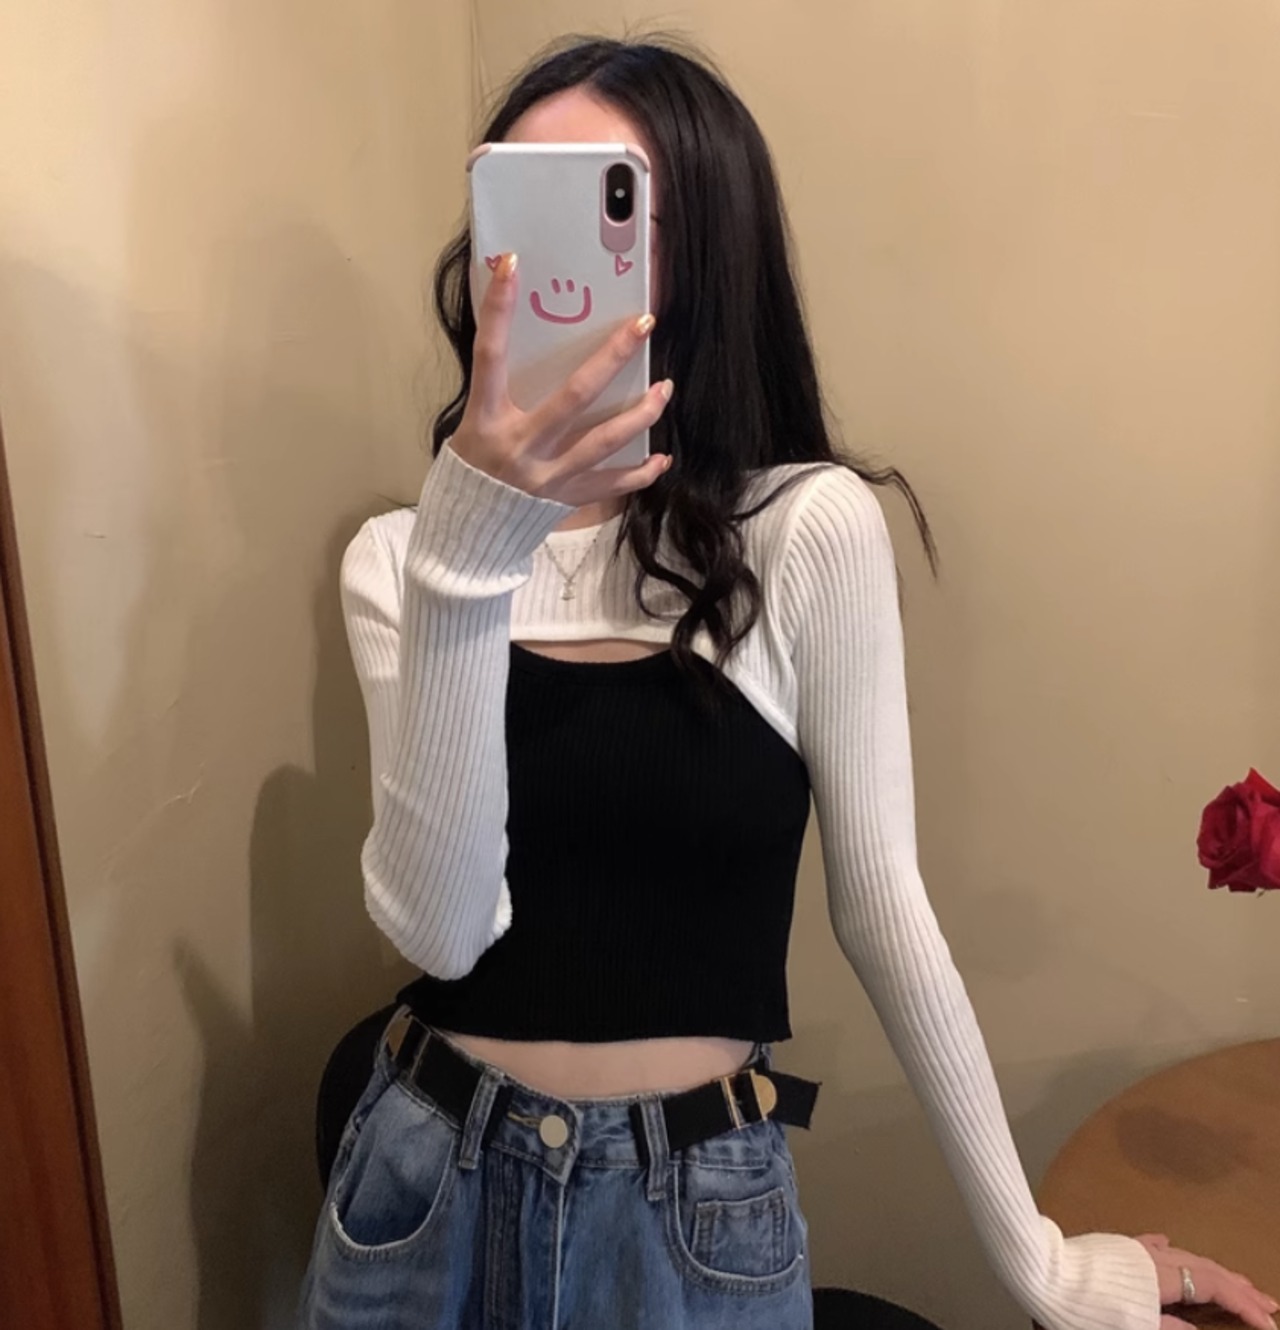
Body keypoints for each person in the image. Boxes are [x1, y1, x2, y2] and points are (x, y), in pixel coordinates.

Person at [297, 35, 1278, 1330]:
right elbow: (440, 933)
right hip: (421, 1189)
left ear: (704, 253)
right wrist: (469, 546)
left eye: (603, 209)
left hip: (691, 1211)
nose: (538, 267)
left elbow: (883, 909)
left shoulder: (806, 531)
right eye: (511, 208)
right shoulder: (404, 556)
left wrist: (1040, 1262)